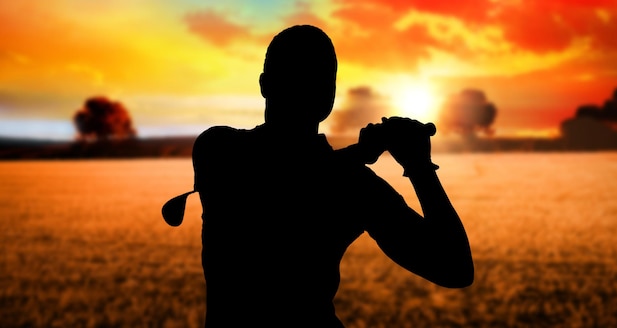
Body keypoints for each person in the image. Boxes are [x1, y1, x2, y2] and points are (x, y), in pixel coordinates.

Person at [190, 24, 473, 327]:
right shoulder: (352, 184)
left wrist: (398, 161)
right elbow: (454, 267)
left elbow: (455, 269)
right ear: (329, 96)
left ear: (265, 84)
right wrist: (416, 165)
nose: (309, 86)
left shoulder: (217, 148)